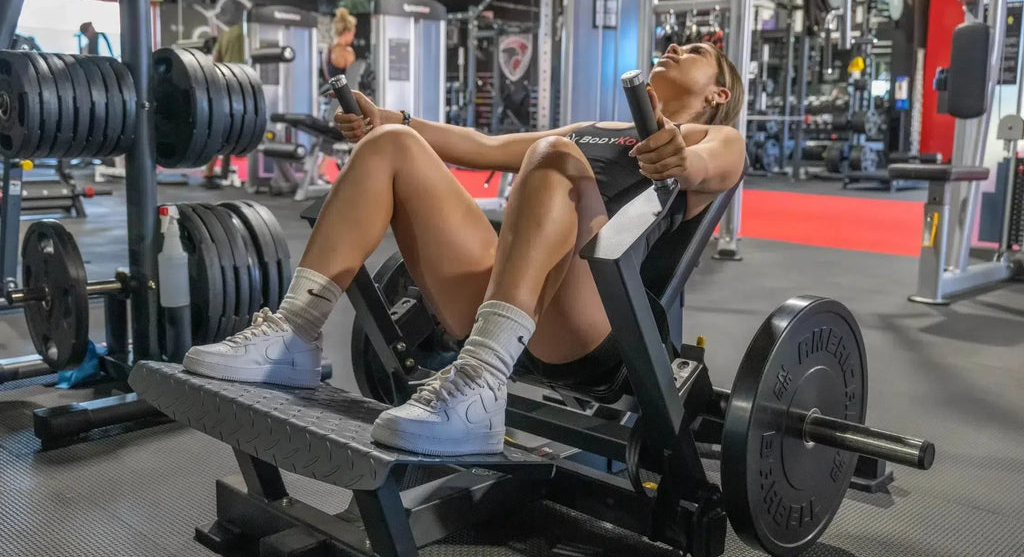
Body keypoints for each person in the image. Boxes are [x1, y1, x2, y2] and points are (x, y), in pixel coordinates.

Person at [183, 42, 746, 456]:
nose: (673, 46)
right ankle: (294, 334)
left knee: (554, 157)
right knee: (392, 147)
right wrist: (391, 118)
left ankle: (477, 386)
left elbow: (719, 165)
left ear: (718, 93)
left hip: (598, 327)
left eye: (694, 50)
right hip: (502, 309)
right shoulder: (595, 128)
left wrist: (683, 160)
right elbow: (483, 146)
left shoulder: (710, 139)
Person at [202, 22, 247, 189]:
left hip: (227, 83)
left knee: (224, 127)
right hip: (247, 84)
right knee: (241, 127)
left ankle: (212, 170)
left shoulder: (226, 34)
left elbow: (215, 60)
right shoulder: (253, 32)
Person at [325, 8, 357, 80]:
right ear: (346, 33)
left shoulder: (329, 50)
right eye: (353, 34)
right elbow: (352, 80)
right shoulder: (348, 52)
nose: (353, 38)